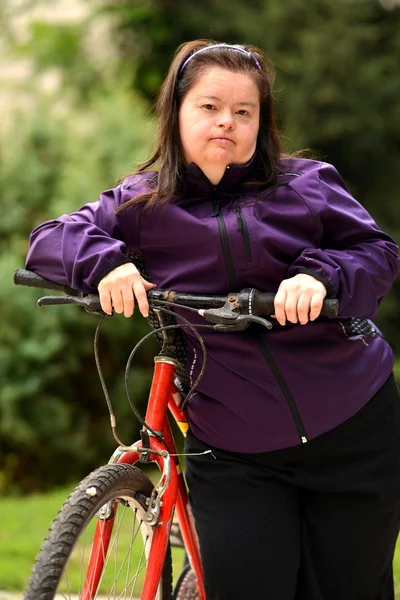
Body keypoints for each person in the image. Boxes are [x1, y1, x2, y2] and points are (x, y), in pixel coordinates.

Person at [25, 39, 400, 599]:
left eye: (243, 111)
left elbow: (377, 252)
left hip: (351, 427)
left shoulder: (308, 184)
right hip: (233, 448)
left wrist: (320, 277)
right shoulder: (142, 205)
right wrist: (106, 265)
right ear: (176, 113)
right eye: (208, 106)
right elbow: (50, 239)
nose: (226, 121)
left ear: (261, 123)